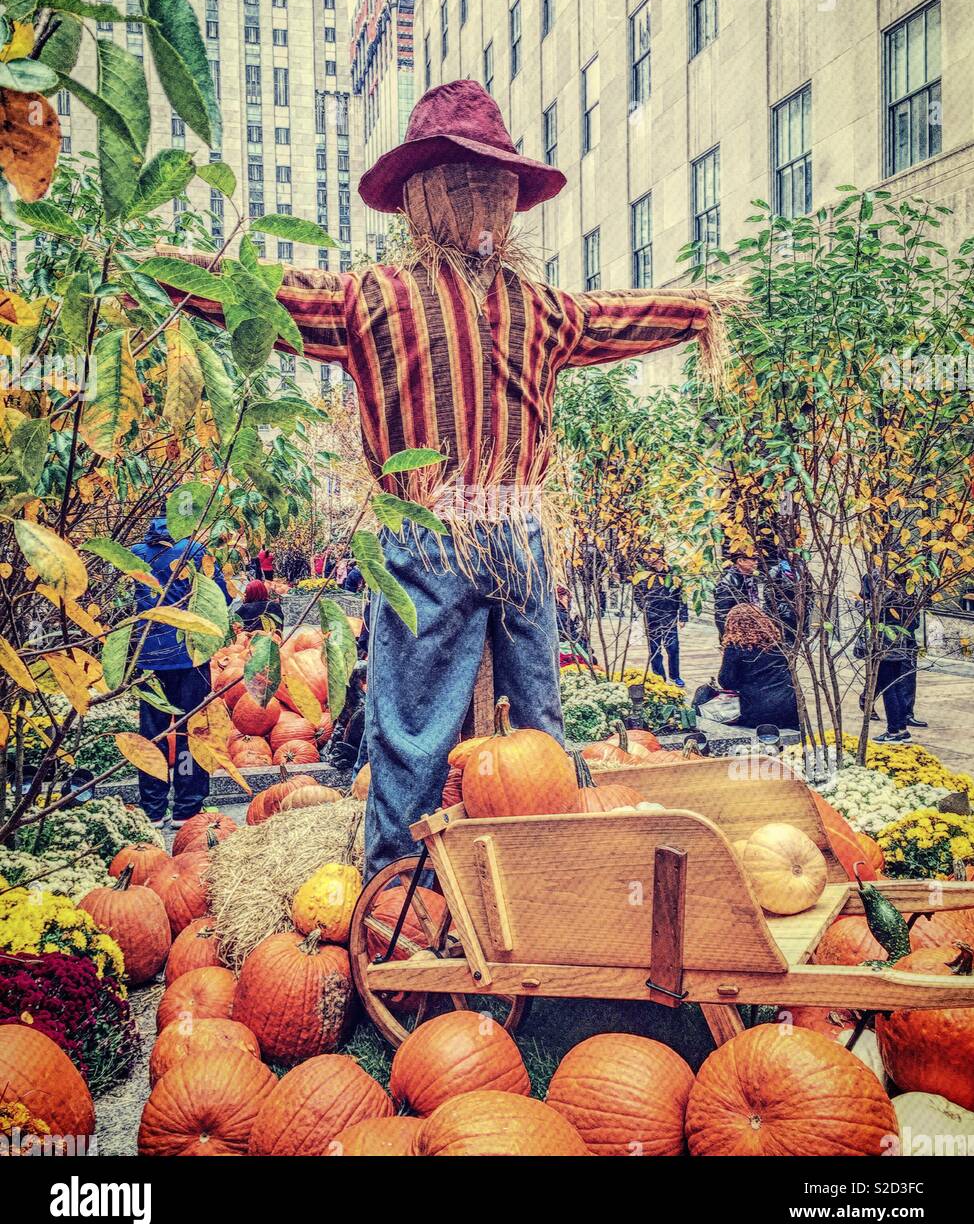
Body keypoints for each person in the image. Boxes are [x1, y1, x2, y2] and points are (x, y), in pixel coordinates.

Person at [158, 78, 727, 879]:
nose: (478, 201)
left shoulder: (439, 300)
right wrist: (699, 309)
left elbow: (270, 296)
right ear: (426, 199)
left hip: (471, 535)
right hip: (472, 533)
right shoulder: (422, 300)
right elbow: (268, 293)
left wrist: (161, 270)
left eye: (487, 186)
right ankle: (448, 880)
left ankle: (454, 879)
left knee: (473, 719)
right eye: (464, 185)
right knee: (484, 717)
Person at [128, 512, 232, 828]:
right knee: (191, 732)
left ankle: (153, 809)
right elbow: (220, 597)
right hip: (190, 656)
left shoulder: (134, 554)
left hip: (149, 659)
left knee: (153, 734)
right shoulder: (194, 550)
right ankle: (186, 809)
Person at [858, 572, 926, 742]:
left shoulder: (882, 587)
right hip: (900, 642)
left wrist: (859, 604)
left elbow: (869, 612)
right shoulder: (905, 589)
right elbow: (913, 621)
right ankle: (902, 729)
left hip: (883, 645)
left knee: (889, 689)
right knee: (897, 688)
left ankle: (893, 731)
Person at [717, 604, 799, 730]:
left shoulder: (735, 648)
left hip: (757, 710)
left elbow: (726, 682)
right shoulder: (776, 642)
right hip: (788, 706)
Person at [633, 547, 687, 686]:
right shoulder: (643, 574)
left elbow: (682, 594)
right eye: (648, 556)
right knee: (654, 648)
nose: (651, 558)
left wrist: (683, 616)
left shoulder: (673, 573)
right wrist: (644, 607)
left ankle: (675, 676)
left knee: (673, 647)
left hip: (670, 614)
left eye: (654, 555)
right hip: (651, 615)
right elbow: (637, 593)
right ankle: (659, 677)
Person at [714, 551, 760, 641]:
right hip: (736, 634)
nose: (756, 562)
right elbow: (721, 614)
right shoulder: (727, 583)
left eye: (756, 559)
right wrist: (728, 638)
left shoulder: (750, 579)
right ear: (740, 561)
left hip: (751, 630)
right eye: (753, 559)